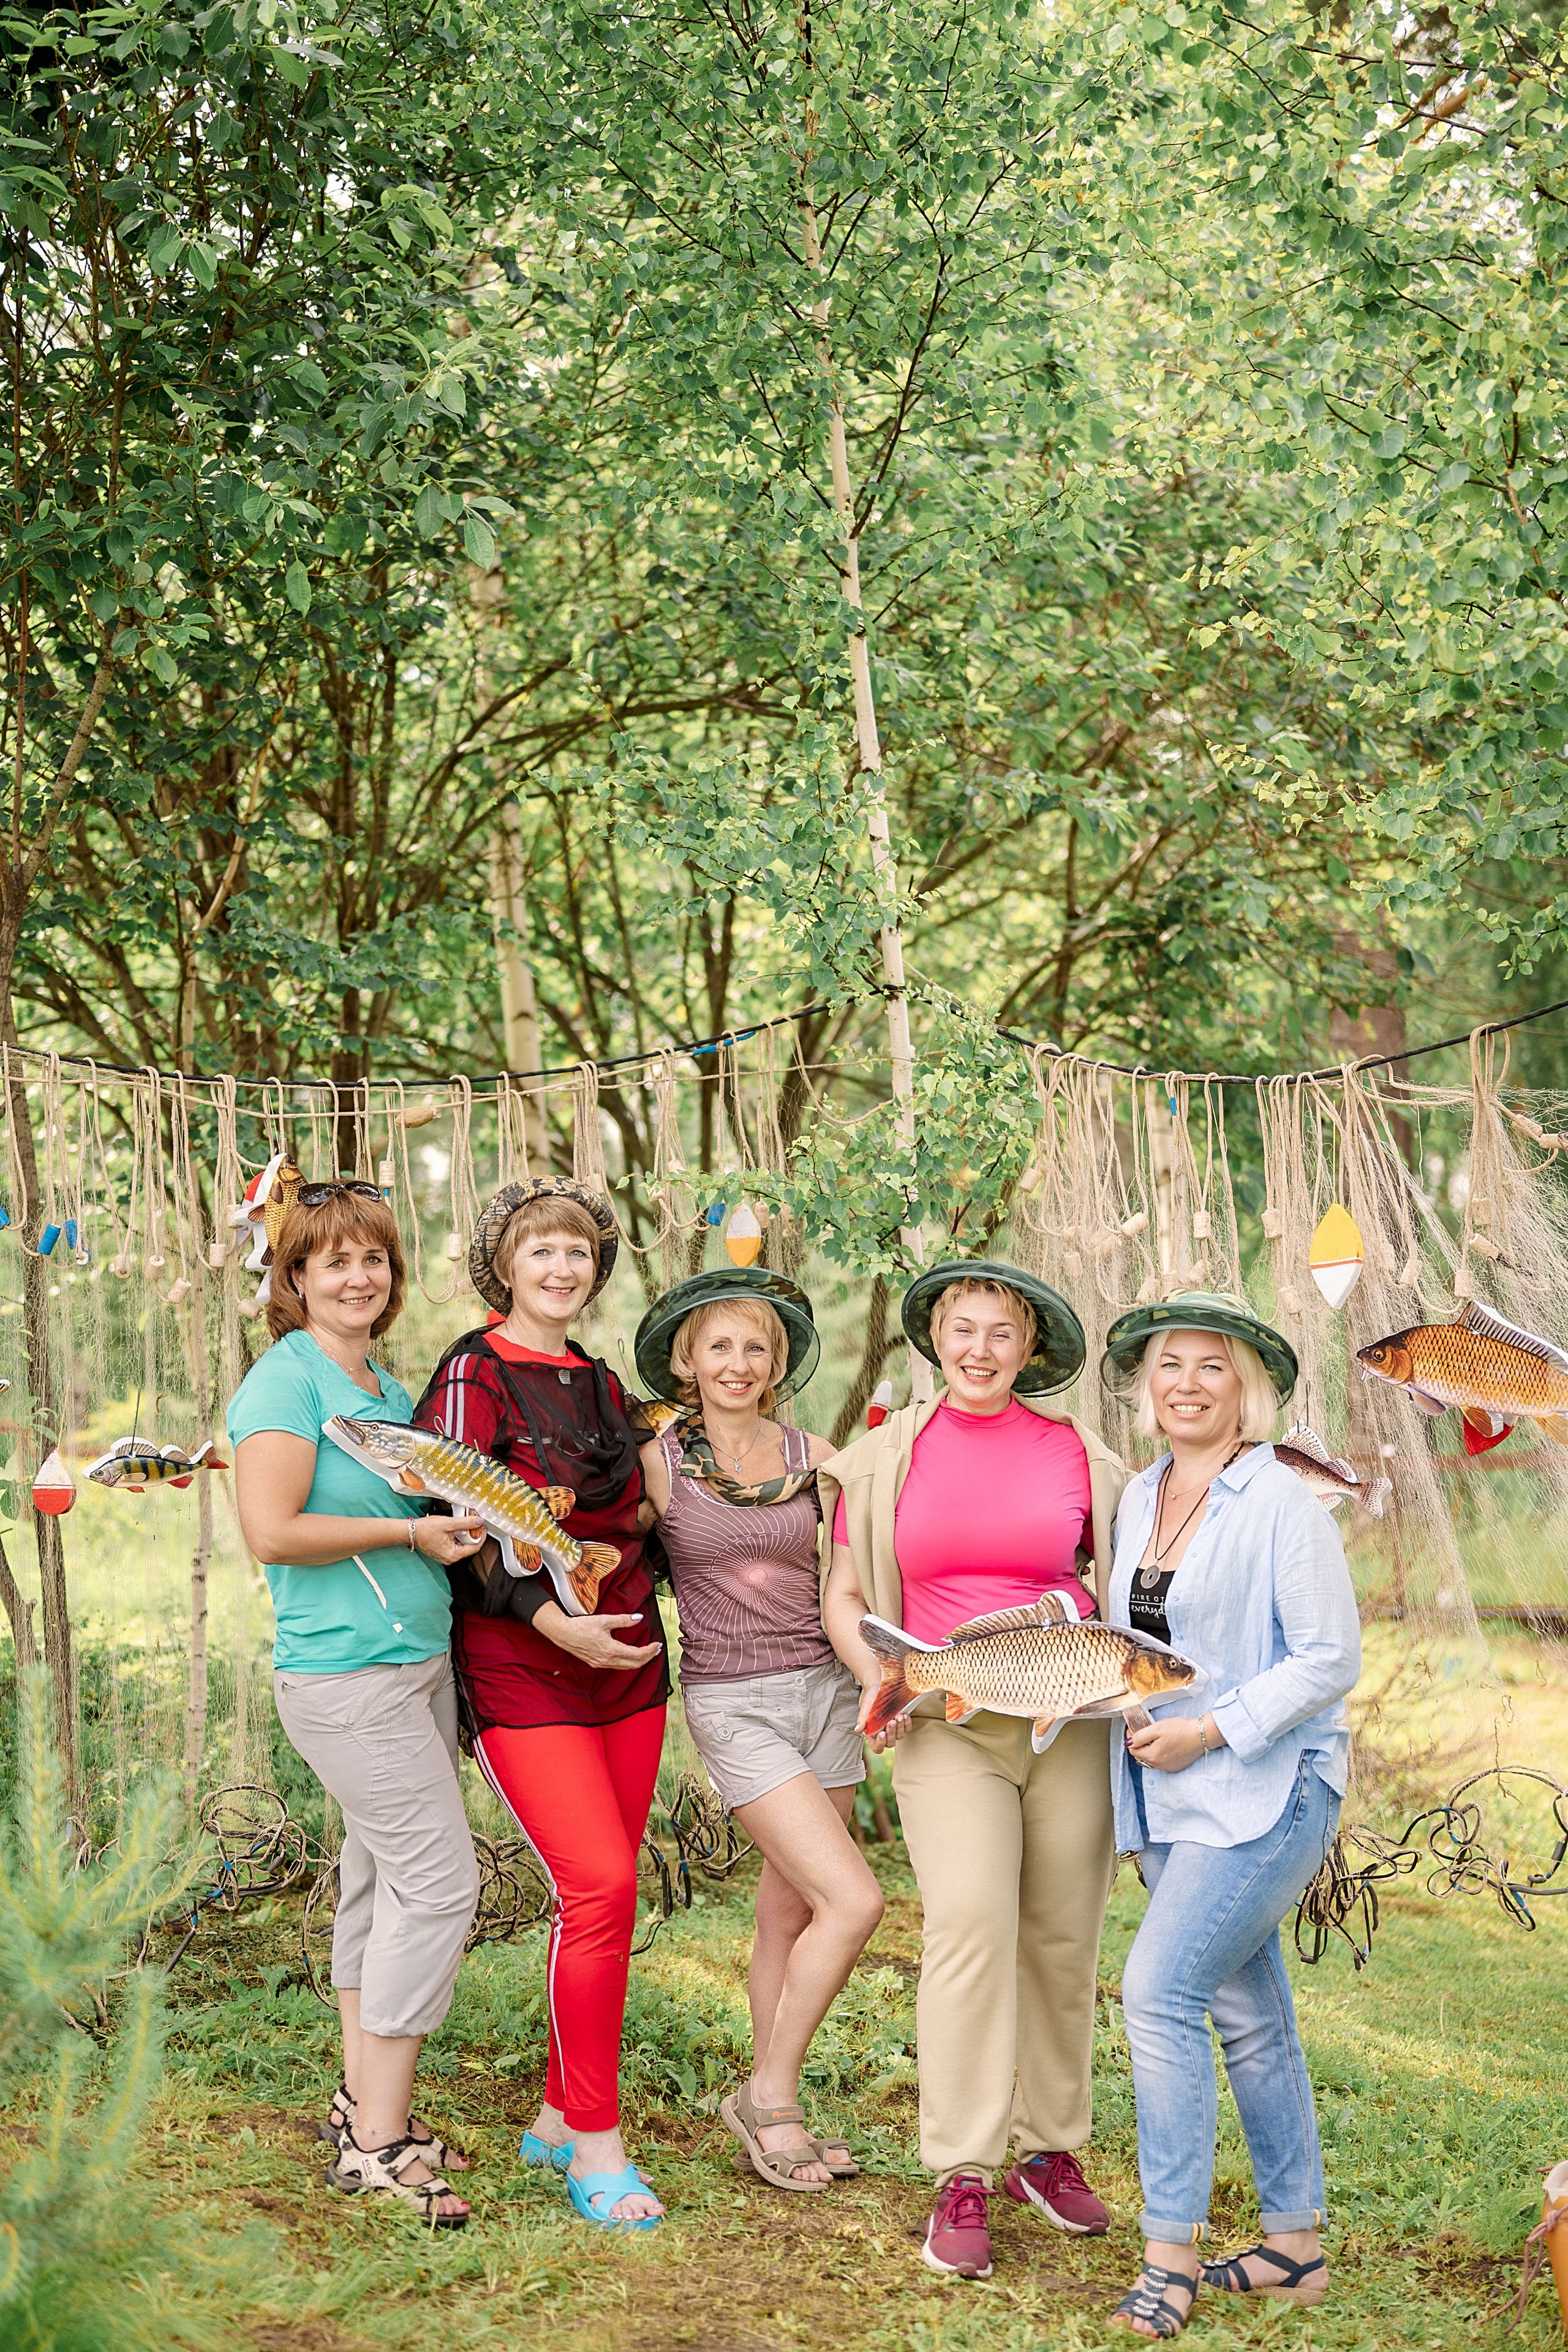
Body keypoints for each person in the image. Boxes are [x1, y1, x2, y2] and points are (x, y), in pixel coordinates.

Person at [820, 1261, 1129, 2282]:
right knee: (969, 1926)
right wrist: (884, 1681)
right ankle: (962, 2167)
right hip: (949, 1719)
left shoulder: (1083, 1456)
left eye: (1003, 1333)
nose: (981, 1349)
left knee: (1060, 1932)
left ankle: (1048, 2147)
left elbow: (1116, 1576)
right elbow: (848, 1591)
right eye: (963, 1328)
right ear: (934, 1338)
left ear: (1029, 1349)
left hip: (1067, 1715)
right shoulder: (879, 1461)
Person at [1098, 1292, 1361, 2340]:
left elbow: (1329, 1659)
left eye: (1211, 1367)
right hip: (1170, 1791)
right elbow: (1139, 1641)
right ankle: (1295, 2247)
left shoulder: (1283, 1503)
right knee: (1247, 2012)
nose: (1187, 1384)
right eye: (1169, 1365)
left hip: (1268, 1783)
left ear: (1245, 1389)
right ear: (1145, 1384)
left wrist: (1210, 1731)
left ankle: (1169, 2257)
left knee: (1157, 1992)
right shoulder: (1137, 1496)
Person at [413, 1177, 669, 2231]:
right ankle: (598, 2150)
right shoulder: (474, 1370)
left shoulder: (604, 1383)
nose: (562, 1269)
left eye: (579, 1253)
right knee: (601, 1885)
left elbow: (647, 1514)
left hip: (632, 1661)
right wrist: (545, 1614)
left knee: (606, 1901)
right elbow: (450, 1515)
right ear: (504, 1268)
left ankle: (563, 2111)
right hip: (526, 1662)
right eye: (541, 1252)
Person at [230, 1181, 486, 2228]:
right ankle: (381, 2144)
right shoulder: (282, 1385)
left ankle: (360, 2107)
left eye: (373, 1259)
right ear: (295, 1279)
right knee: (440, 1888)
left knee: (379, 1890)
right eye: (332, 1261)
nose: (357, 1276)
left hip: (417, 1663)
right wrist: (408, 1536)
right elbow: (272, 1531)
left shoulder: (382, 1385)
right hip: (344, 1676)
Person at [635, 1267, 883, 2193]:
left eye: (755, 1348)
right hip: (733, 1701)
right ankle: (769, 2099)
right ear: (686, 1361)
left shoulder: (816, 1455)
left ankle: (779, 2098)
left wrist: (876, 1681)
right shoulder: (657, 1461)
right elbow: (605, 1552)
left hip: (825, 1691)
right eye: (719, 1347)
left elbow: (852, 1578)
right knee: (856, 1903)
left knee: (792, 1910)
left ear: (776, 1363)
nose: (737, 1363)